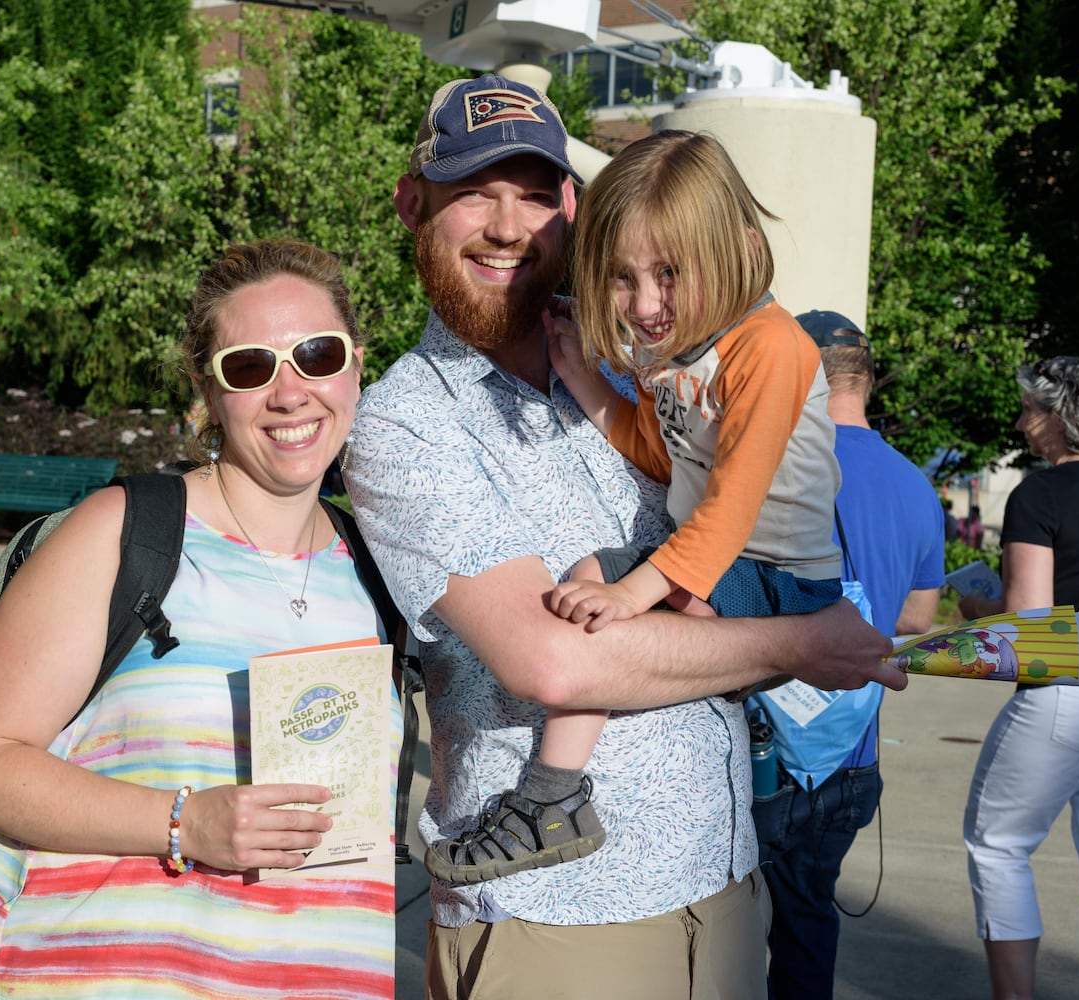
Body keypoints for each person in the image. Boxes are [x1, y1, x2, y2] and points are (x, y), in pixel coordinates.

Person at [345, 74, 901, 998]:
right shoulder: (405, 425)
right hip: (560, 922)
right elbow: (557, 667)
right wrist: (804, 643)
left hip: (718, 886)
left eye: (532, 193)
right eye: (473, 193)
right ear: (413, 205)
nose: (507, 225)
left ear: (572, 207)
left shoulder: (633, 364)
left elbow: (735, 528)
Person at [0, 240, 401, 999]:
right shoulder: (126, 532)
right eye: (249, 366)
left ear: (355, 364)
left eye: (317, 355)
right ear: (207, 390)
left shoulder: (379, 567)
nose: (291, 394)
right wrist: (184, 823)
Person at [420, 128, 847, 883]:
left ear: (740, 248)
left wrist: (633, 592)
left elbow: (730, 510)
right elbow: (663, 456)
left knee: (593, 606)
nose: (646, 305)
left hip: (776, 573)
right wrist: (585, 379)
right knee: (591, 597)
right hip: (727, 561)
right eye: (622, 279)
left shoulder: (771, 349)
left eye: (670, 274)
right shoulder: (683, 347)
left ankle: (550, 798)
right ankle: (557, 796)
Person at [751, 309, 944, 1000]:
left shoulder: (772, 464)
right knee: (807, 927)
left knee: (730, 936)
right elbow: (917, 619)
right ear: (864, 375)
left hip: (763, 757)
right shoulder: (916, 487)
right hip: (852, 764)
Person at [957, 356, 1079, 1000]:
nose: (1022, 423)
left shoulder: (1040, 493)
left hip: (1073, 688)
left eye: (1030, 410)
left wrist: (976, 610)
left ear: (1059, 417)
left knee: (998, 842)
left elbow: (1028, 621)